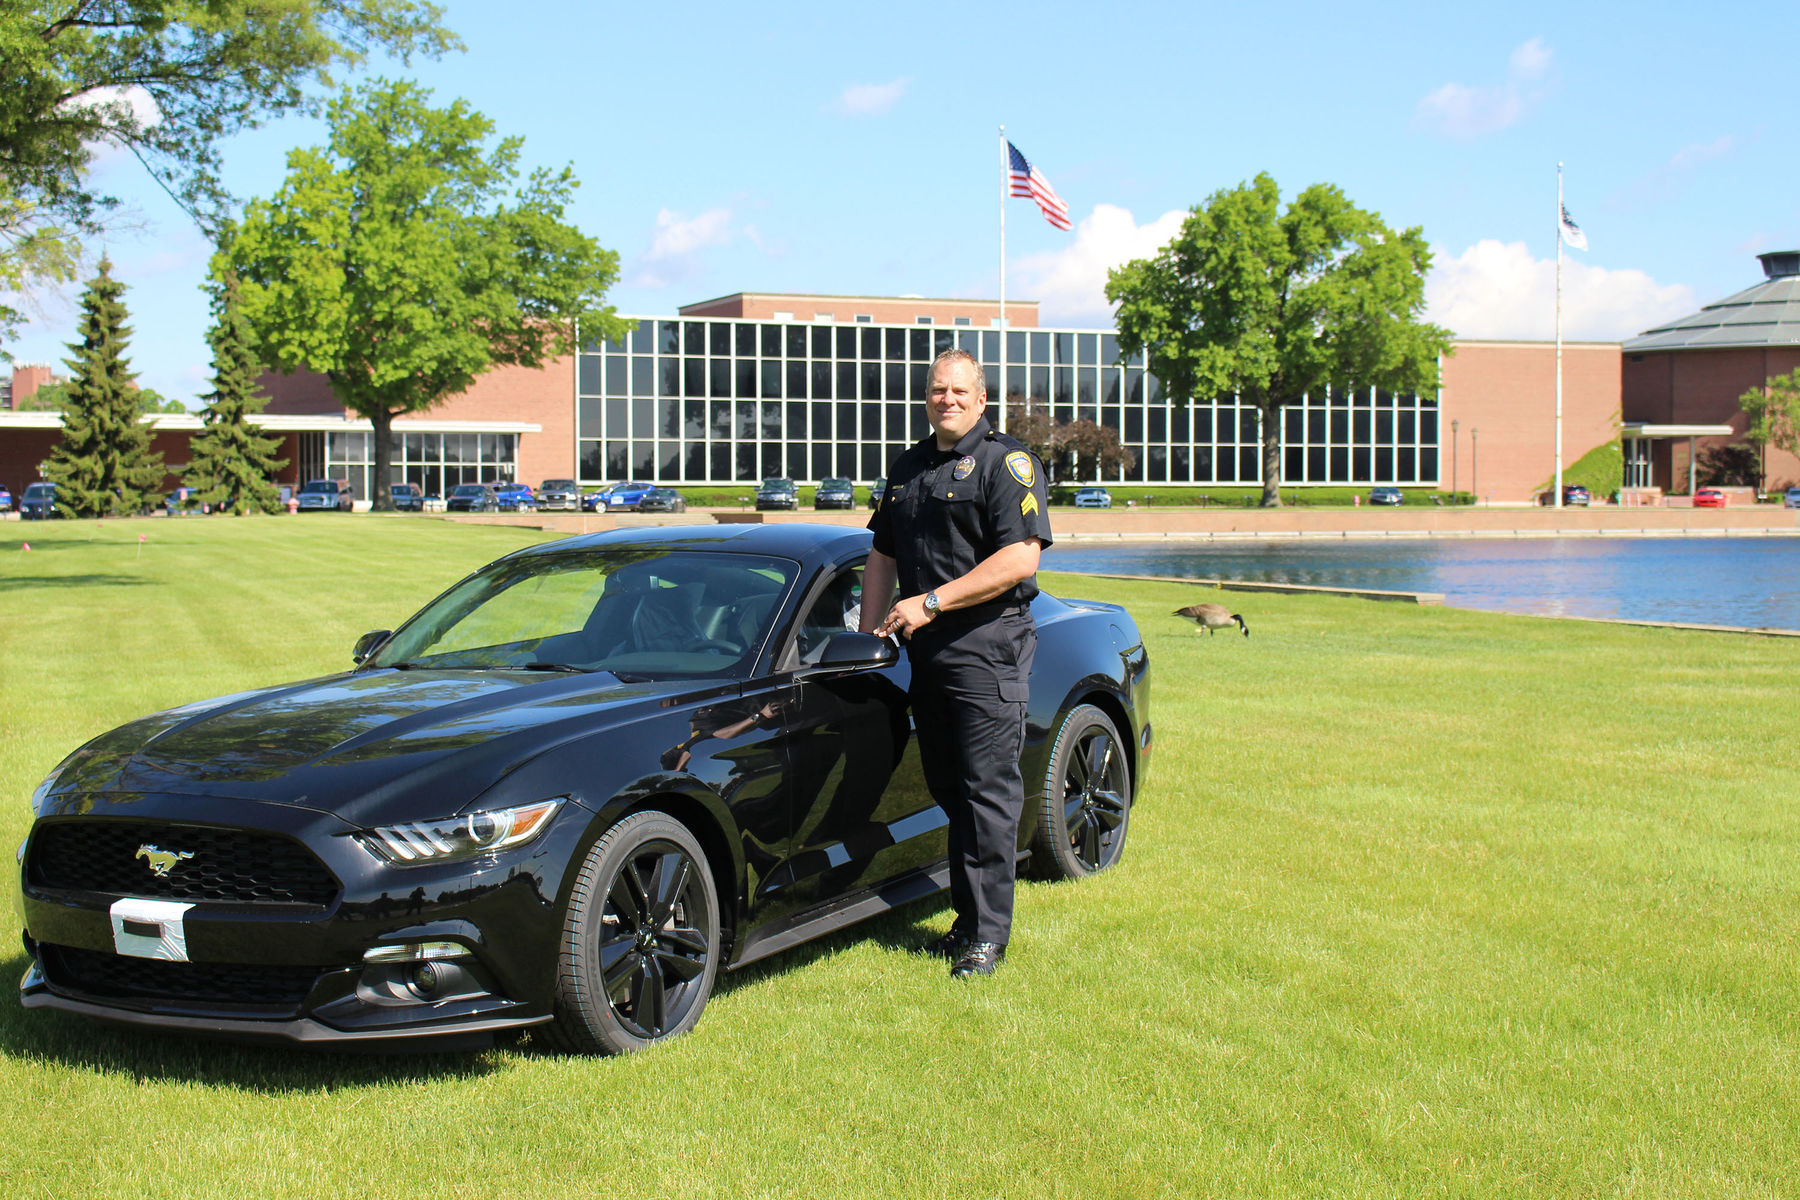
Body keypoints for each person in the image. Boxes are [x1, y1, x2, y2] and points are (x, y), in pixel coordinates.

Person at [861, 348, 1052, 978]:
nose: (948, 399)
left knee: (987, 793)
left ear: (982, 398)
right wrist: (868, 633)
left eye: (959, 391)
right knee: (948, 786)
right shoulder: (910, 464)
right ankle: (968, 920)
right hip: (927, 655)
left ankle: (986, 938)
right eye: (938, 390)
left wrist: (932, 602)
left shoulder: (1008, 463)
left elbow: (1020, 559)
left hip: (986, 648)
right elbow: (882, 553)